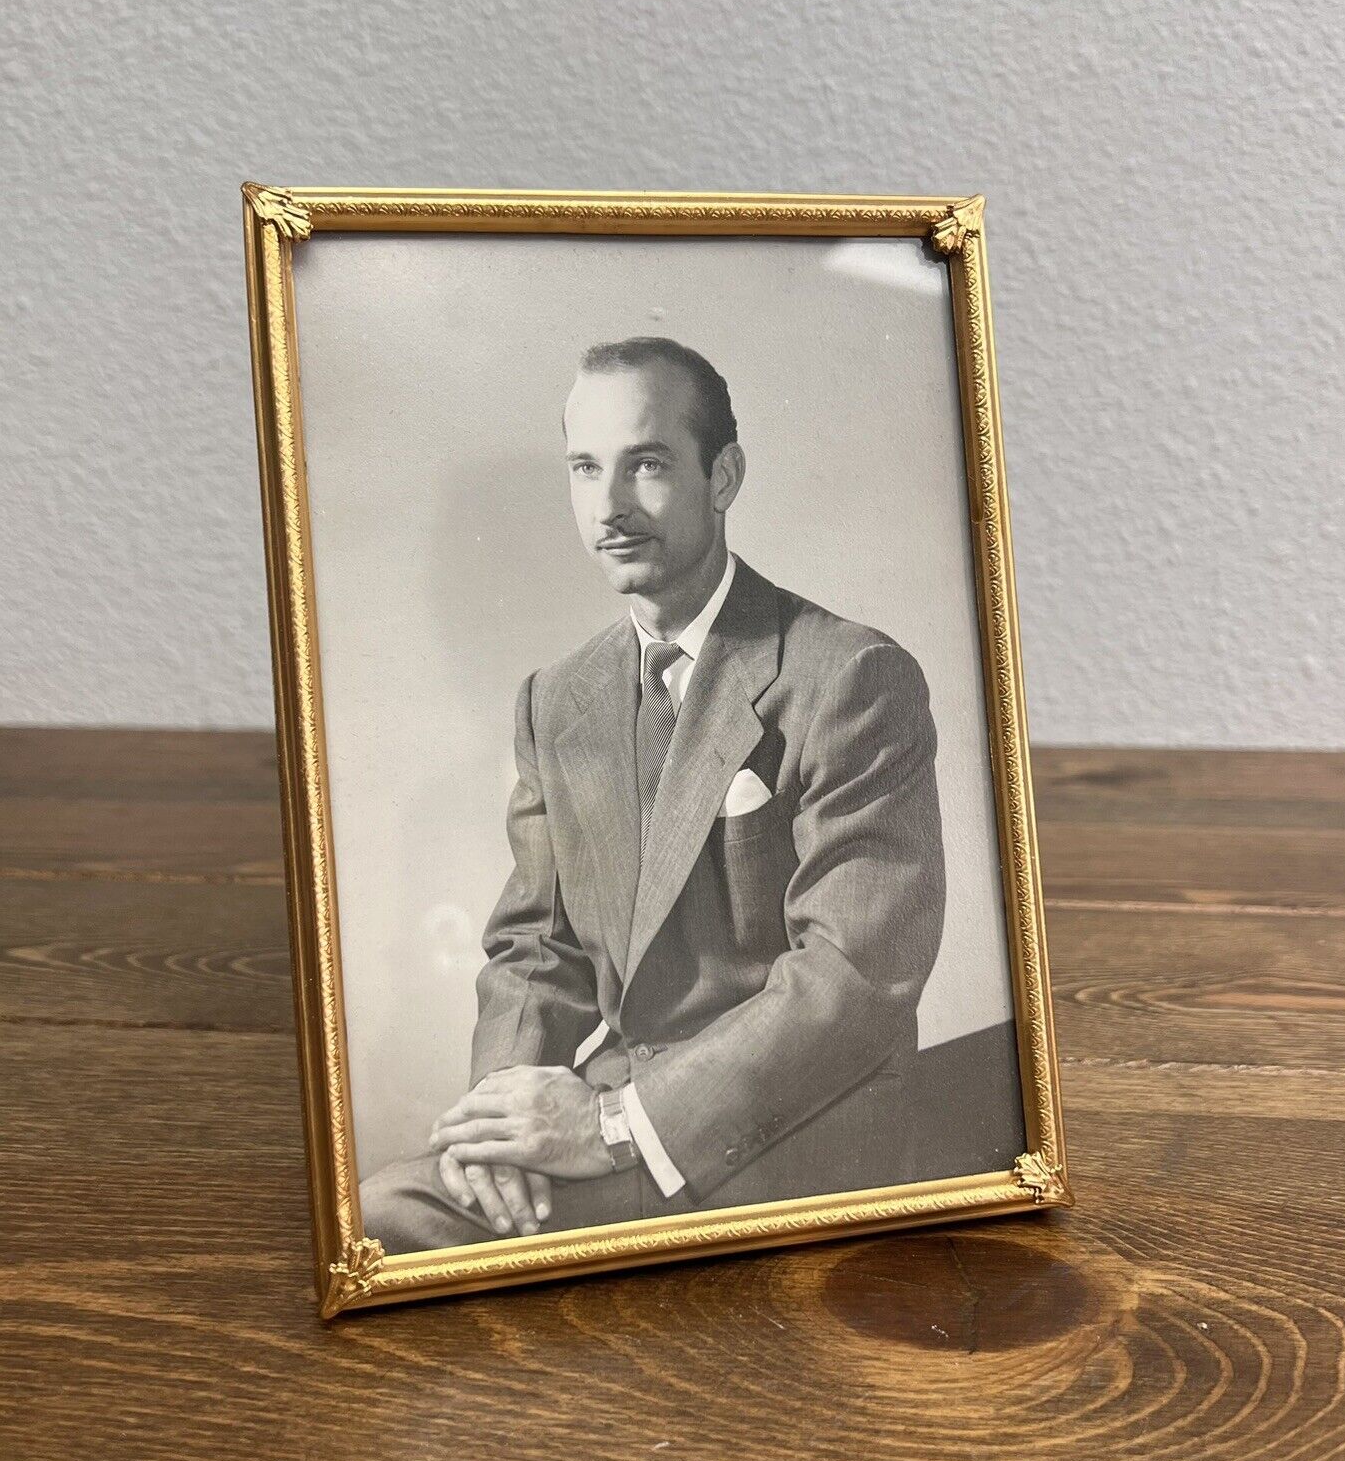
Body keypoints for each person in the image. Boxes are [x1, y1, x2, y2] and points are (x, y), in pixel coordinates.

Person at [360, 337, 946, 1251]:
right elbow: (535, 948)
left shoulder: (850, 677)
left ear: (724, 477)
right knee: (389, 1210)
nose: (611, 504)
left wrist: (612, 1126)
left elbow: (855, 977)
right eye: (587, 468)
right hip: (611, 1120)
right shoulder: (558, 699)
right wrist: (499, 1125)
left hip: (788, 1133)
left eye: (647, 464)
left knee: (391, 1219)